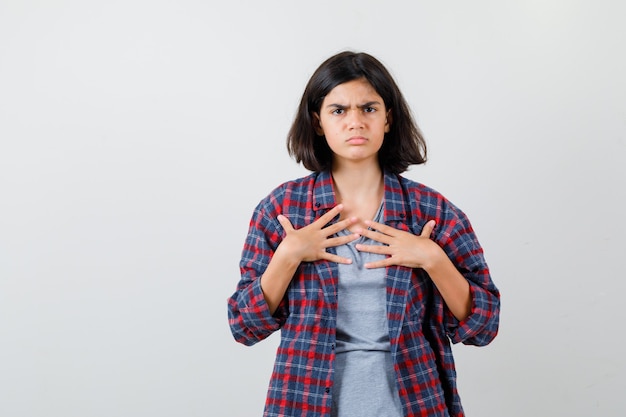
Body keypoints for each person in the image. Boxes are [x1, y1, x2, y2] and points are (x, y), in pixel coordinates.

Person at [227, 51, 500, 417]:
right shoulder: (282, 210)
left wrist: (433, 260)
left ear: (388, 118)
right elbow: (244, 326)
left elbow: (484, 327)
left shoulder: (431, 212)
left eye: (368, 108)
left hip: (414, 402)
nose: (355, 122)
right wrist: (289, 255)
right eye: (338, 110)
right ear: (318, 122)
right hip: (305, 402)